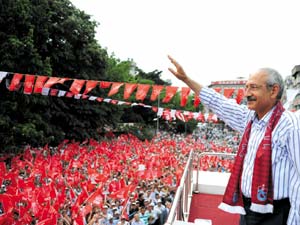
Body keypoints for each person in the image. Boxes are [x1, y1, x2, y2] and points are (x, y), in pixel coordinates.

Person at [167, 55, 300, 225]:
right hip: (247, 210)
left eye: (253, 87)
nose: (247, 94)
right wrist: (187, 80)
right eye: (246, 87)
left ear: (273, 90)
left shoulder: (291, 126)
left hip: (276, 215)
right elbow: (218, 102)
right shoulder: (249, 119)